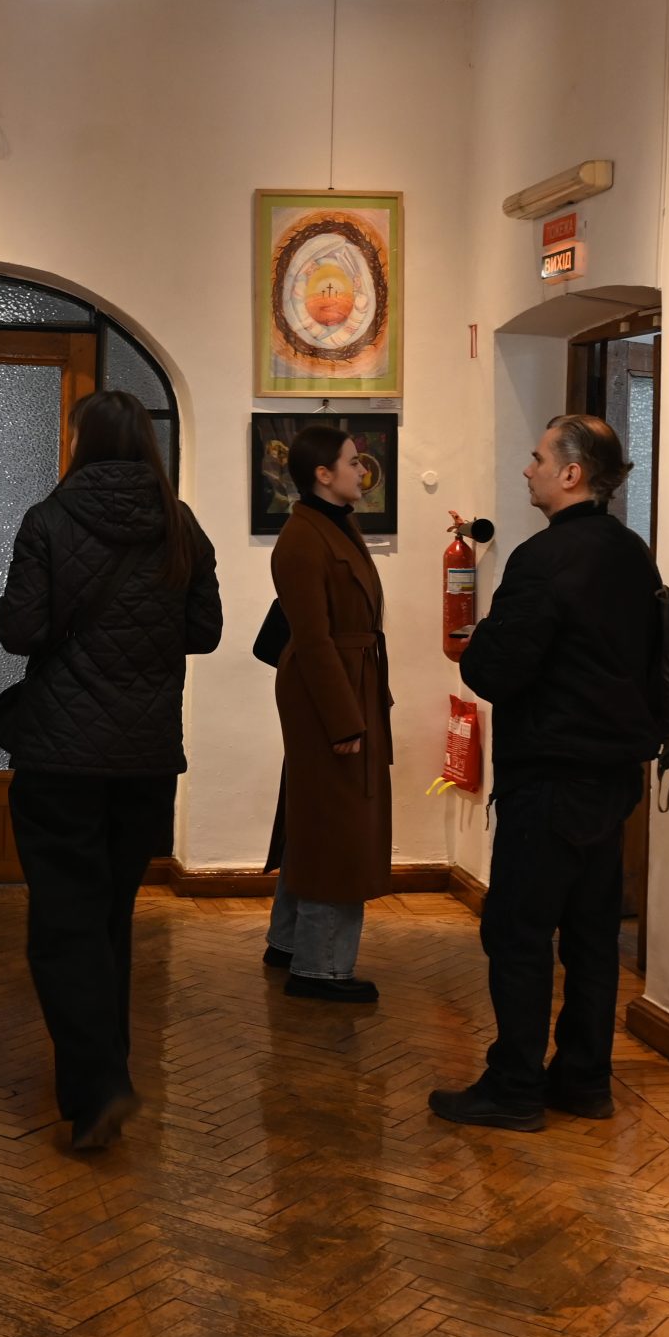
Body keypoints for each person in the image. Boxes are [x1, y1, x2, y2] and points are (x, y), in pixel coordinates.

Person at [0, 390, 222, 1152]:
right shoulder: (180, 524)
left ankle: (98, 1088)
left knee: (64, 924)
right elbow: (205, 630)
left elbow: (20, 628)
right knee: (109, 917)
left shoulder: (49, 519)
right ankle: (106, 1072)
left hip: (60, 753)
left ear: (81, 440)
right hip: (146, 756)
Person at [430, 414, 663, 1133]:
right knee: (592, 934)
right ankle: (586, 1079)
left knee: (519, 932)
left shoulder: (543, 558)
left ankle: (514, 1086)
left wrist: (474, 645)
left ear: (571, 473)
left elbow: (496, 668)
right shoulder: (632, 552)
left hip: (550, 776)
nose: (527, 469)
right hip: (614, 776)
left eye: (538, 458)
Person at [264, 424, 393, 1003]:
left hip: (347, 685)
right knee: (338, 827)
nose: (362, 470)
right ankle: (321, 968)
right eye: (351, 461)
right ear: (323, 474)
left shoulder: (333, 524)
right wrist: (344, 720)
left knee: (317, 816)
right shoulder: (302, 538)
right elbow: (314, 641)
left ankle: (289, 942)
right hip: (329, 694)